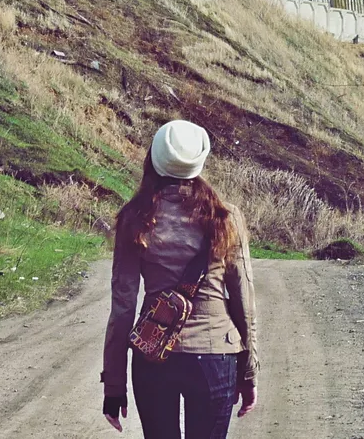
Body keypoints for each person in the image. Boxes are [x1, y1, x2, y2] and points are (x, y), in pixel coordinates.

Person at [101, 119, 258, 438]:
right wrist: (249, 370)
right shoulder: (225, 217)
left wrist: (114, 385)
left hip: (154, 356)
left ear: (154, 160)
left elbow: (122, 308)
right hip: (215, 355)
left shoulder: (136, 218)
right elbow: (244, 300)